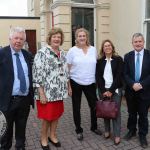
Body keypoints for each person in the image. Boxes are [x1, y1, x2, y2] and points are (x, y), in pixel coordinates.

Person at [32, 27, 69, 150]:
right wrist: (41, 92)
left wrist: (68, 87)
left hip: (59, 92)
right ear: (50, 38)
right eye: (54, 37)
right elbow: (37, 73)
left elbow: (66, 71)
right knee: (47, 118)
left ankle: (52, 135)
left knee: (56, 115)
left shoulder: (63, 53)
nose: (57, 39)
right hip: (46, 93)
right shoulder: (42, 53)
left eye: (59, 37)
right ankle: (43, 138)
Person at [0, 27, 34, 150]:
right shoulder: (2, 54)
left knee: (21, 129)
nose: (18, 41)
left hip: (24, 101)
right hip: (7, 102)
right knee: (5, 133)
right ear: (10, 39)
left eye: (21, 39)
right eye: (16, 38)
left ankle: (20, 147)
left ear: (24, 40)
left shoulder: (27, 55)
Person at [66, 28, 102, 141]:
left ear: (87, 37)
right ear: (76, 38)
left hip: (90, 83)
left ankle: (94, 127)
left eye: (84, 36)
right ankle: (79, 130)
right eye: (79, 36)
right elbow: (67, 69)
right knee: (76, 107)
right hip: (76, 82)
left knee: (94, 106)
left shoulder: (93, 49)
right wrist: (69, 86)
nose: (82, 38)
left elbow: (97, 65)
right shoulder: (72, 51)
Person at [124, 33, 150, 148]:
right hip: (131, 91)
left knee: (143, 115)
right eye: (135, 42)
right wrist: (132, 84)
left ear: (143, 42)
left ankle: (142, 135)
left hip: (145, 91)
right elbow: (125, 74)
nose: (138, 44)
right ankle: (131, 130)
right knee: (132, 113)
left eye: (140, 41)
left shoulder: (149, 55)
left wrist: (141, 84)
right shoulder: (127, 56)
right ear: (132, 43)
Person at [96, 39, 123, 145]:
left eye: (109, 45)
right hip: (103, 90)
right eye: (105, 46)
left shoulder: (118, 59)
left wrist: (111, 91)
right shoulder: (99, 61)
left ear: (112, 47)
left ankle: (117, 135)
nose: (107, 47)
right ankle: (107, 131)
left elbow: (119, 76)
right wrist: (103, 91)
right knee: (105, 110)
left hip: (115, 90)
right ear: (103, 48)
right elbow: (98, 77)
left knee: (116, 112)